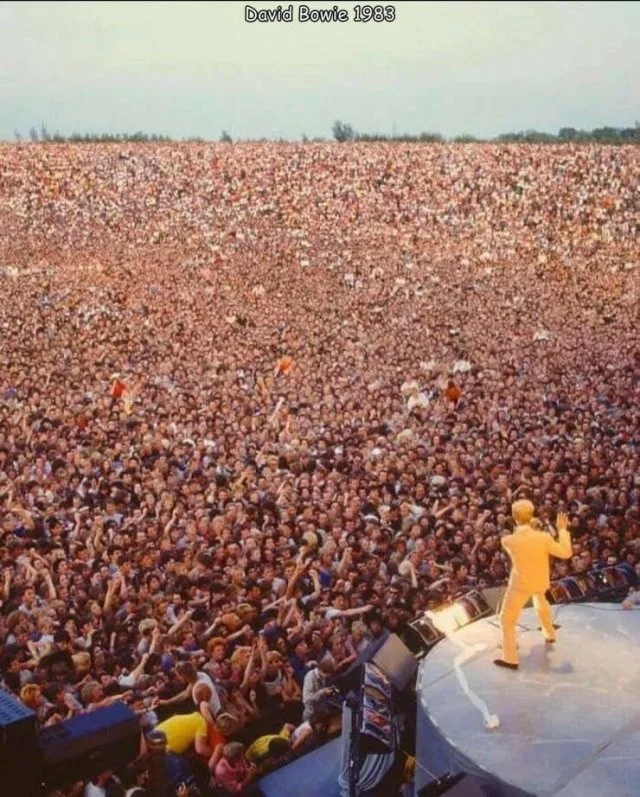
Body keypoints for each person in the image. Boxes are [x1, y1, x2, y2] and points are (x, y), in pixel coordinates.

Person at [495, 502, 572, 670]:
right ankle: (549, 633)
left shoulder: (508, 541)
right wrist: (562, 530)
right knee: (540, 601)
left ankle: (510, 658)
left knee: (507, 619)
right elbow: (566, 552)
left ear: (514, 517)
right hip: (540, 581)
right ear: (531, 515)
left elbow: (519, 537)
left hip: (520, 585)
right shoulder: (544, 537)